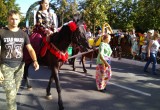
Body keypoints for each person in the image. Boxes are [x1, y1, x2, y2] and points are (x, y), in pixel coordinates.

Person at [0, 10, 39, 110]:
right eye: (12, 19)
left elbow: (30, 49)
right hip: (5, 66)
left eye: (16, 19)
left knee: (14, 91)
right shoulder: (2, 32)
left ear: (19, 20)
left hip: (20, 67)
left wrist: (35, 60)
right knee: (11, 94)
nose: (14, 21)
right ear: (8, 18)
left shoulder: (23, 34)